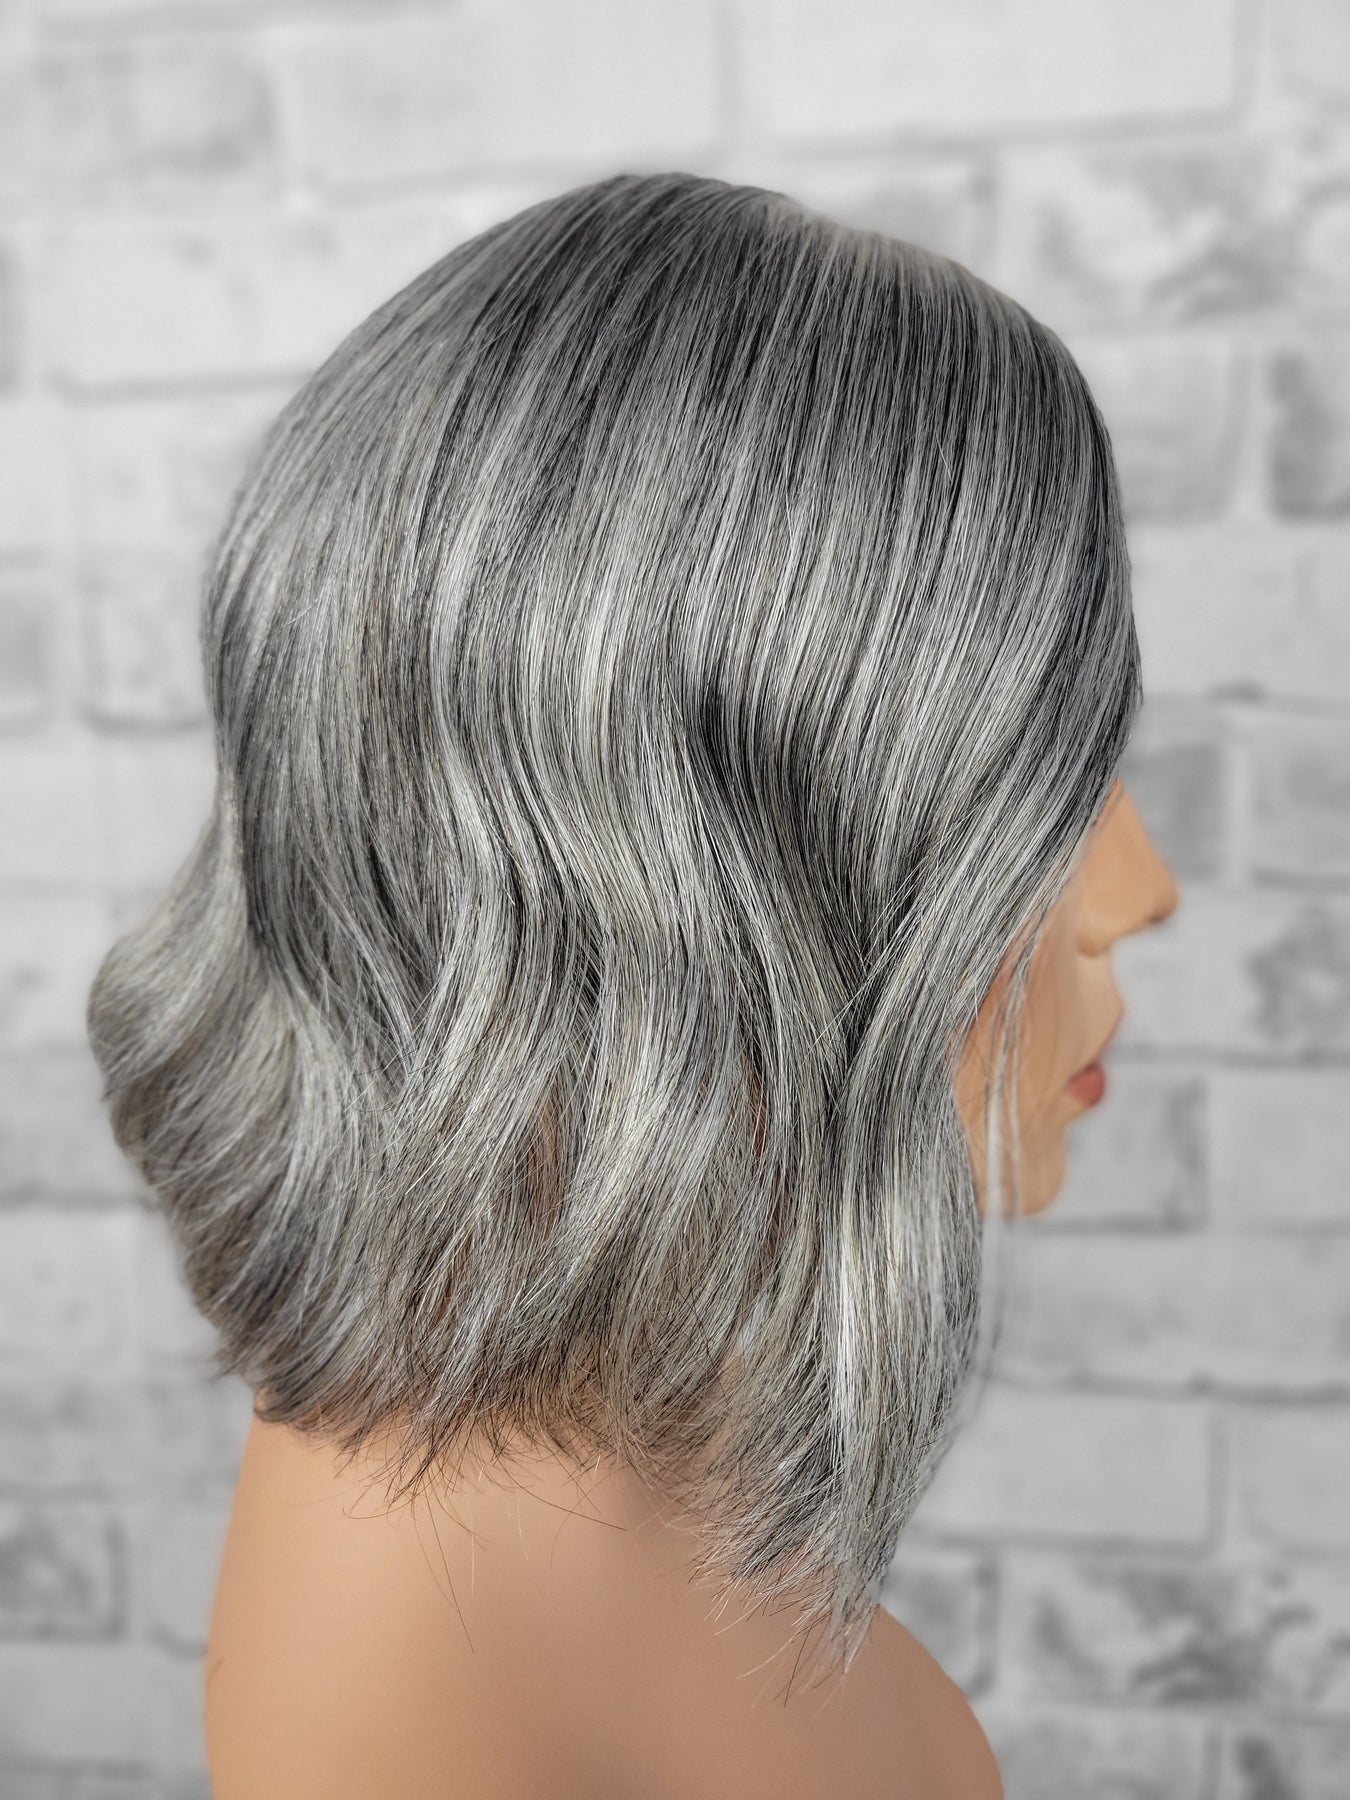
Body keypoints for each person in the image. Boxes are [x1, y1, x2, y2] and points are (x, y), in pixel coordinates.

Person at [87, 170, 1180, 1797]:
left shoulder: (629, 1517)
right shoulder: (424, 1682)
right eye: (1025, 775)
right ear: (667, 857)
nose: (1138, 892)